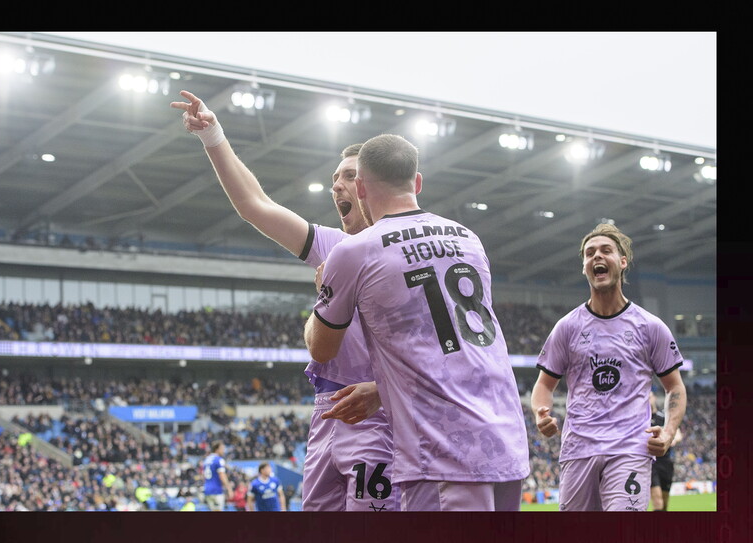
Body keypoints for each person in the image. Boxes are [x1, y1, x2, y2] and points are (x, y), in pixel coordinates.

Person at [171, 90, 397, 512]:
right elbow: (254, 205)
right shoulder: (334, 245)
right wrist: (213, 136)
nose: (337, 186)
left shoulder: (402, 248)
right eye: (334, 179)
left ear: (372, 185)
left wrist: (386, 390)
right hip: (327, 411)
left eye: (349, 175)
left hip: (377, 411)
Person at [304, 134, 530, 511]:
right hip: (505, 441)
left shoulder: (355, 250)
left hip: (442, 452)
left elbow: (322, 347)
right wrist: (381, 390)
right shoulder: (468, 239)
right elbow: (449, 343)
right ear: (418, 181)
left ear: (360, 188)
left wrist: (322, 294)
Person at [531, 223, 687, 512]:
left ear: (623, 262)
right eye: (589, 253)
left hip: (629, 449)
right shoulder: (567, 327)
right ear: (584, 267)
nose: (596, 257)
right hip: (578, 449)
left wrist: (668, 432)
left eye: (606, 250)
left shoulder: (650, 327)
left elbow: (675, 386)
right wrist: (541, 414)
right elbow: (543, 384)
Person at [649, 391, 682, 511]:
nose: (648, 398)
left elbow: (677, 434)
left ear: (654, 398)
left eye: (650, 396)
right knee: (657, 500)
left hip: (666, 462)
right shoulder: (642, 419)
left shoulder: (663, 417)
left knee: (665, 503)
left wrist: (671, 439)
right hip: (651, 462)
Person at [202, 441, 233, 511]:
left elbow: (203, 476)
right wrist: (229, 489)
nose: (223, 451)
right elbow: (222, 475)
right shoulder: (219, 460)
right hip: (216, 490)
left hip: (207, 490)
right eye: (222, 448)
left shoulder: (206, 459)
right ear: (217, 449)